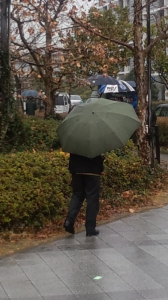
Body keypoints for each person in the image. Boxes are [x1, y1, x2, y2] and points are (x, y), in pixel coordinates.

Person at [64, 153, 104, 236]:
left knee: (77, 195)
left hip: (77, 168)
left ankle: (69, 221)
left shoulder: (75, 139)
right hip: (92, 169)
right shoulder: (96, 140)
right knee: (92, 198)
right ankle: (90, 228)